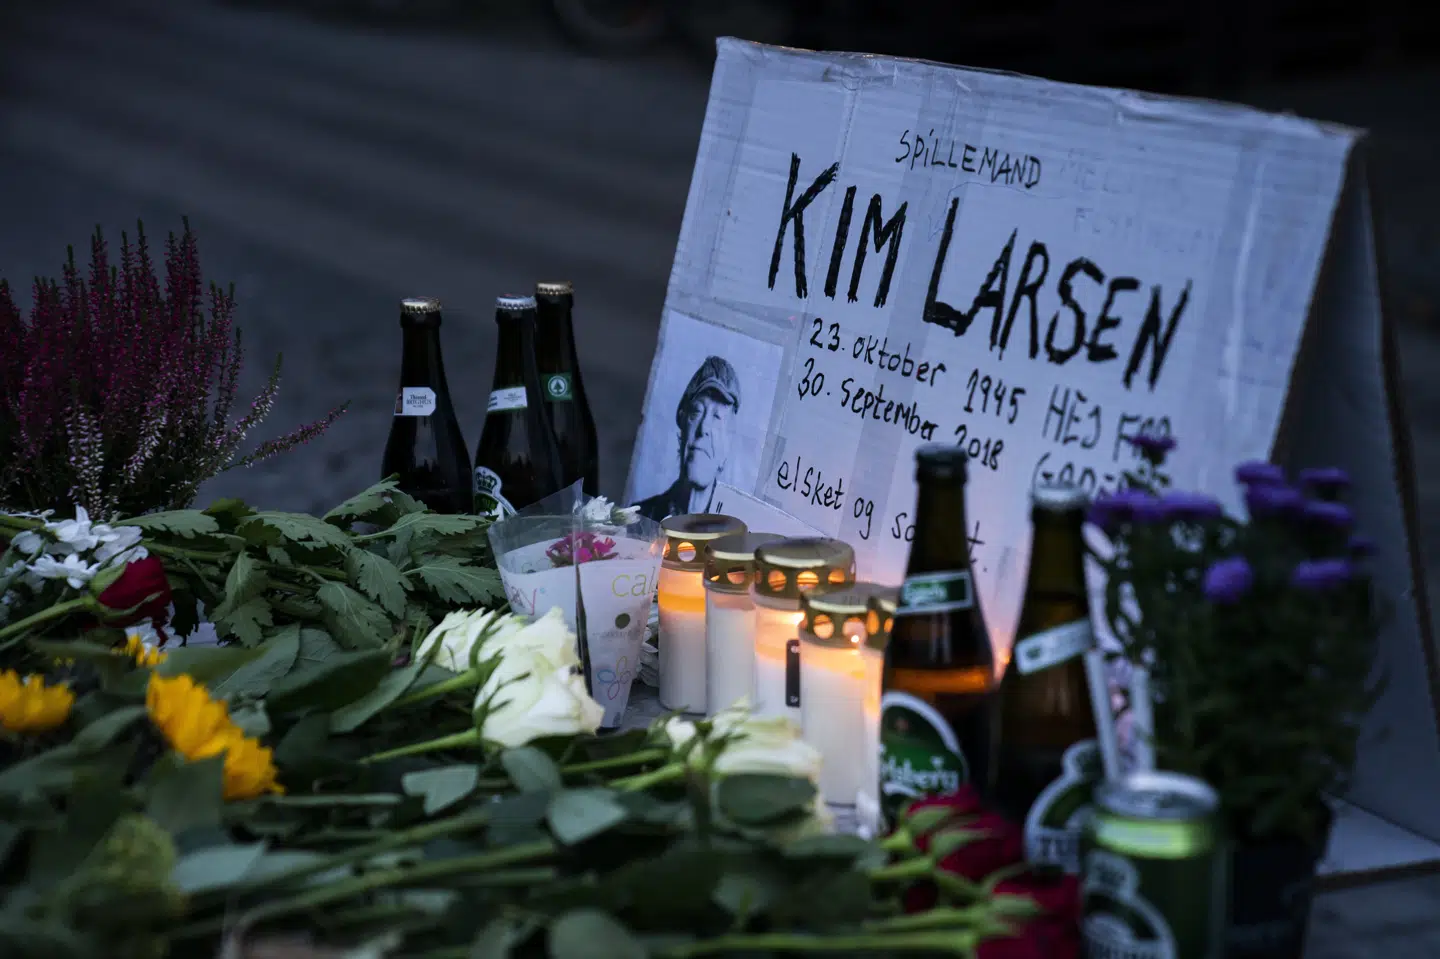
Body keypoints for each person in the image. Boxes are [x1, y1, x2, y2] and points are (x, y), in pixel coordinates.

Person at [634, 355, 740, 522]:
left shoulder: (733, 542)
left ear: (727, 445)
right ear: (682, 422)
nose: (703, 428)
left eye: (717, 417)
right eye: (697, 411)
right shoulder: (638, 520)